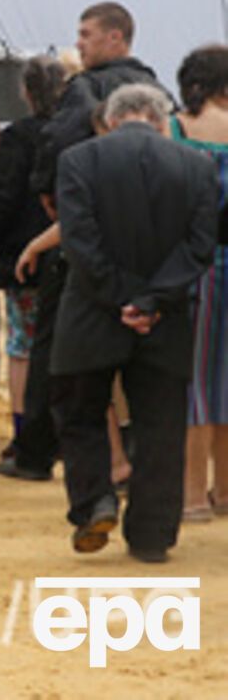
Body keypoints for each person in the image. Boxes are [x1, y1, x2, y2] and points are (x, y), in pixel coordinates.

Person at [0, 2, 170, 482]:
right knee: (143, 353)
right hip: (152, 242)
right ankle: (141, 457)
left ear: (116, 38)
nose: (79, 42)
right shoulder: (155, 87)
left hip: (88, 238)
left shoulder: (86, 89)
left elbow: (55, 145)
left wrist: (56, 204)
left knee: (60, 349)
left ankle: (35, 452)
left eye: (86, 34)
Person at [52, 84, 216, 561]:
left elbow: (79, 242)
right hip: (166, 316)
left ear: (111, 119)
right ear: (161, 120)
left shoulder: (79, 160)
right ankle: (151, 535)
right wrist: (150, 300)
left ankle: (94, 500)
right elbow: (200, 246)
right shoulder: (196, 166)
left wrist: (121, 298)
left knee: (80, 411)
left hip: (90, 310)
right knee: (161, 425)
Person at [0, 55, 66, 456]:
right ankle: (63, 426)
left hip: (24, 256)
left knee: (22, 344)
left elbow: (4, 195)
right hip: (68, 250)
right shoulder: (73, 129)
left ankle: (24, 428)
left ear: (26, 93)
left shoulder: (17, 137)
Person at [169, 46, 228, 523]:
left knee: (194, 381)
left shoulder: (175, 131)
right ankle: (225, 491)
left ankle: (190, 496)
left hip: (195, 264)